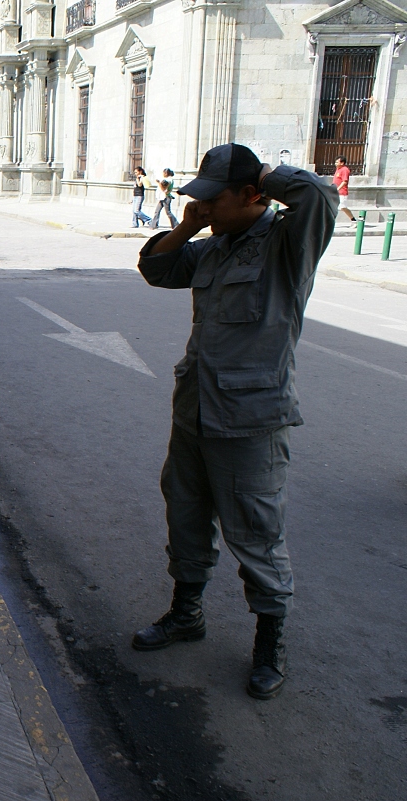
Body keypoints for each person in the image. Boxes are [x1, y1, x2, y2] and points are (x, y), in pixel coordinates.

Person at [133, 143, 337, 701]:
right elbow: (155, 268)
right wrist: (189, 225)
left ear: (252, 195)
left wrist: (265, 175)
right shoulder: (217, 248)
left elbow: (320, 194)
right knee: (187, 511)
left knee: (256, 531)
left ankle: (269, 642)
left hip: (251, 419)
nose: (204, 208)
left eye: (213, 199)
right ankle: (186, 613)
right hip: (196, 407)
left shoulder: (285, 245)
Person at [333, 156, 356, 227]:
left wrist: (338, 189)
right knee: (333, 206)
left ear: (342, 163)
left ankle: (354, 220)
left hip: (342, 192)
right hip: (336, 192)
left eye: (337, 162)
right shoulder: (338, 169)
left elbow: (344, 181)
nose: (335, 163)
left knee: (343, 207)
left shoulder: (345, 170)